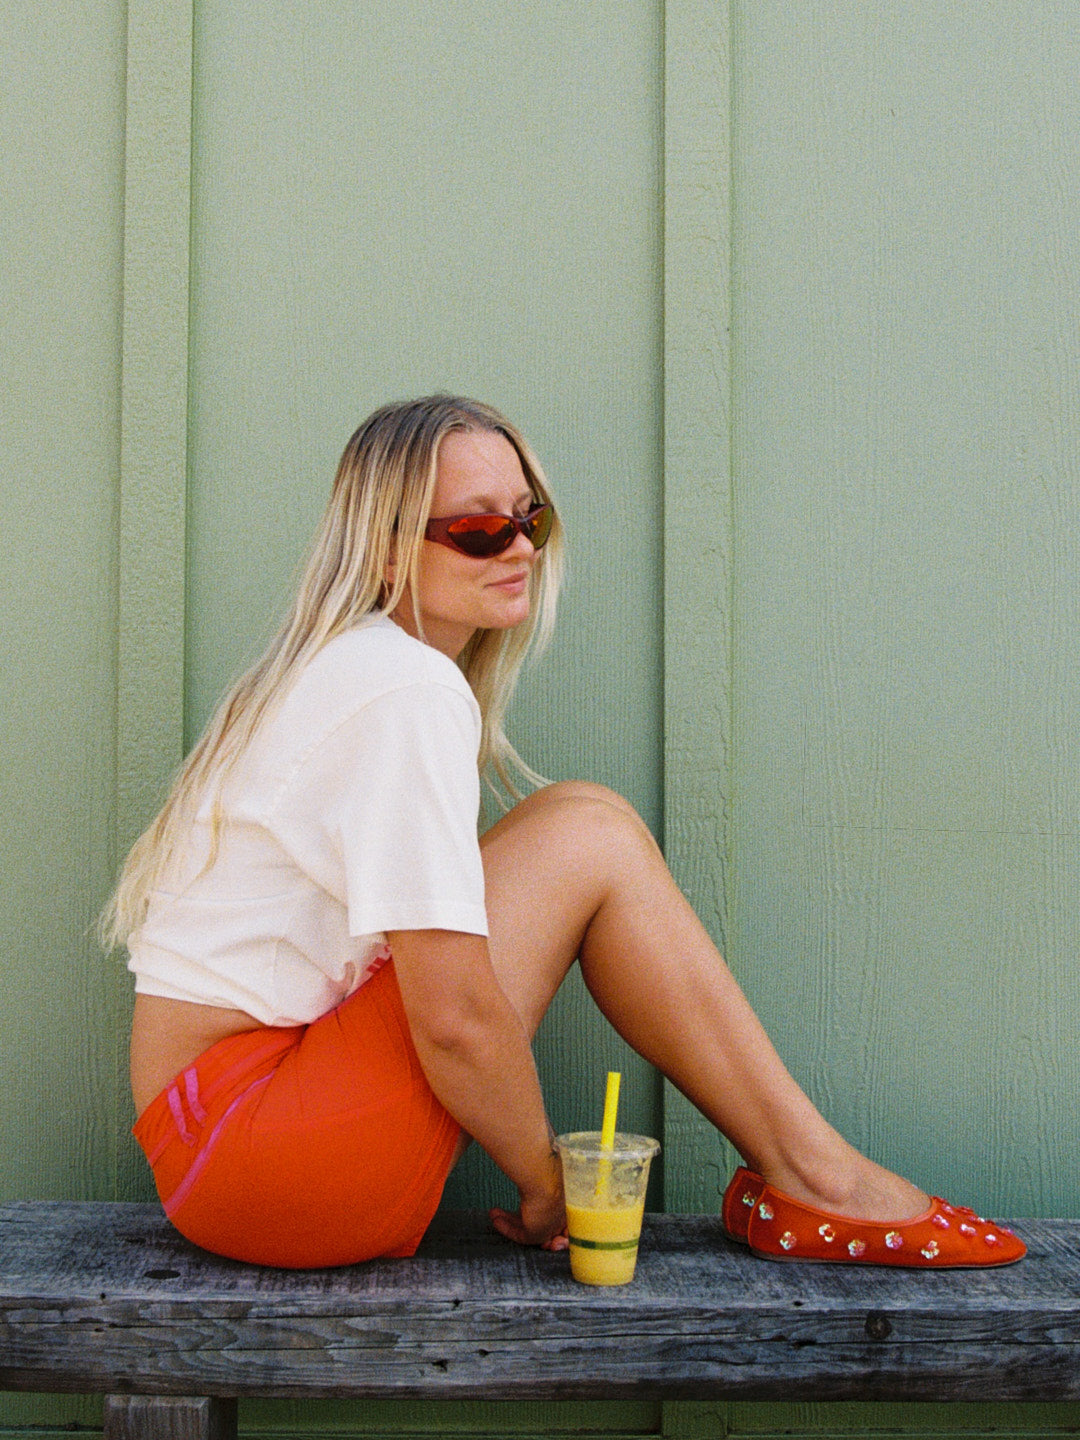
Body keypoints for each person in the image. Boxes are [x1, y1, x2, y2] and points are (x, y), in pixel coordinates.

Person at [101, 394, 1024, 1271]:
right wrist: (552, 1186)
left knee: (588, 817)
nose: (519, 549)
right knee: (591, 840)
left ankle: (813, 1175)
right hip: (263, 1157)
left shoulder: (364, 670)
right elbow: (454, 1015)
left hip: (228, 1158)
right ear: (384, 555)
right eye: (476, 528)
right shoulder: (400, 689)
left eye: (528, 518)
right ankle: (822, 1179)